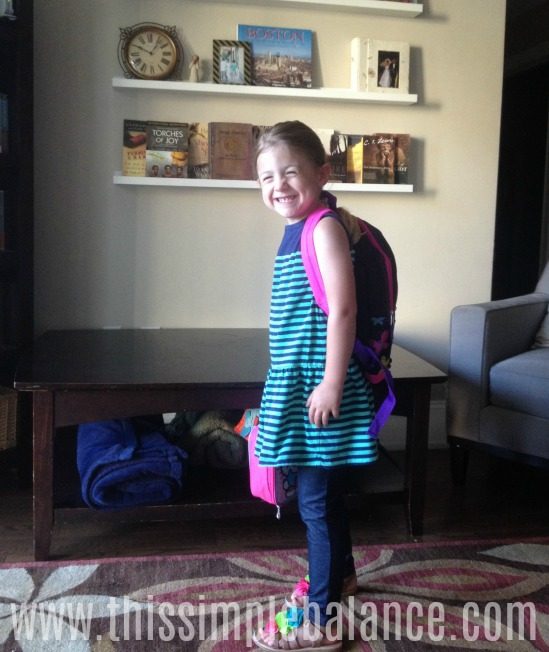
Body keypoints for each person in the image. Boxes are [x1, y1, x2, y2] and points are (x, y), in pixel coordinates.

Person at [252, 121, 378, 651]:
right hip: (297, 385)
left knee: (316, 504)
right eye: (264, 177)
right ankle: (342, 577)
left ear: (322, 173)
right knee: (322, 495)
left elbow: (343, 309)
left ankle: (321, 620)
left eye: (289, 171)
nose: (276, 185)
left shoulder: (322, 226)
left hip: (318, 387)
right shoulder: (297, 228)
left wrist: (330, 383)